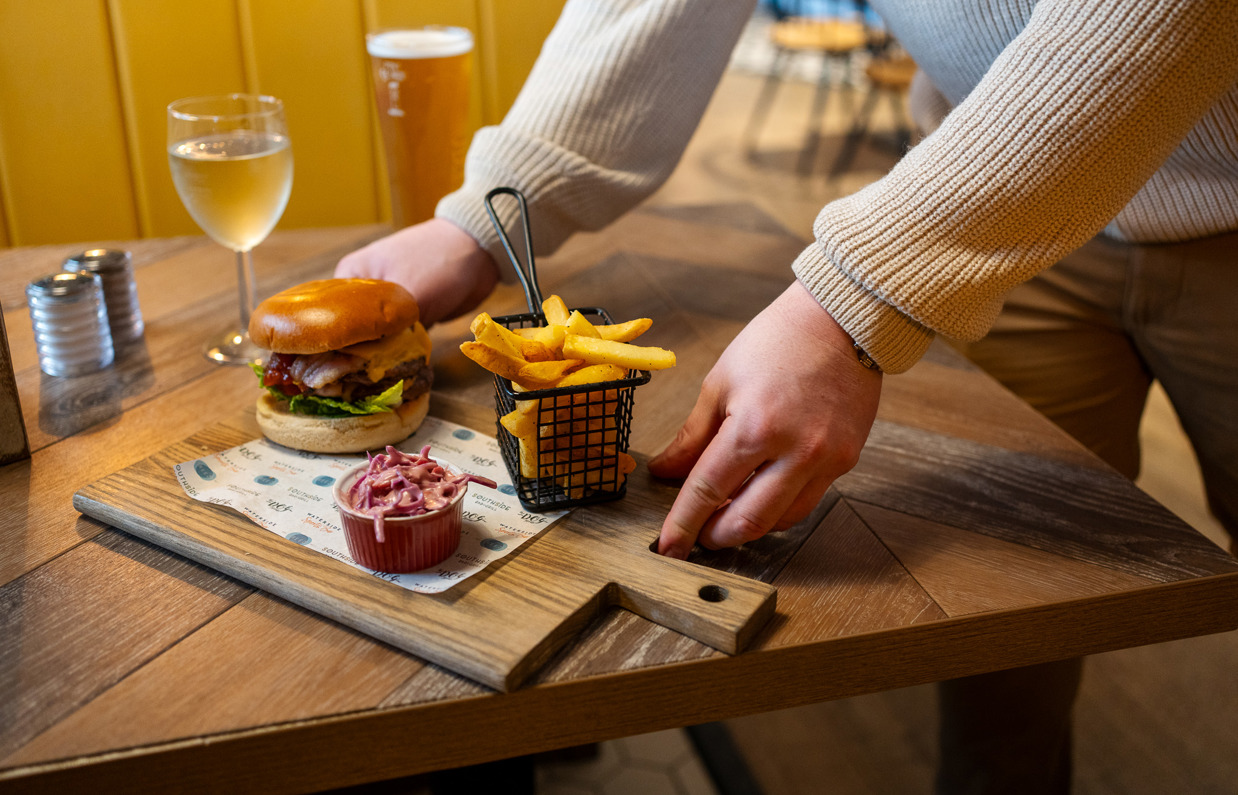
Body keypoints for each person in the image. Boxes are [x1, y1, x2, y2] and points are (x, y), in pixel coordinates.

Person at [338, 1, 1238, 792]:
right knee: (1017, 618)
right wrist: (493, 215)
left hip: (1086, 197)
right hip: (1013, 202)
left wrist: (860, 292)